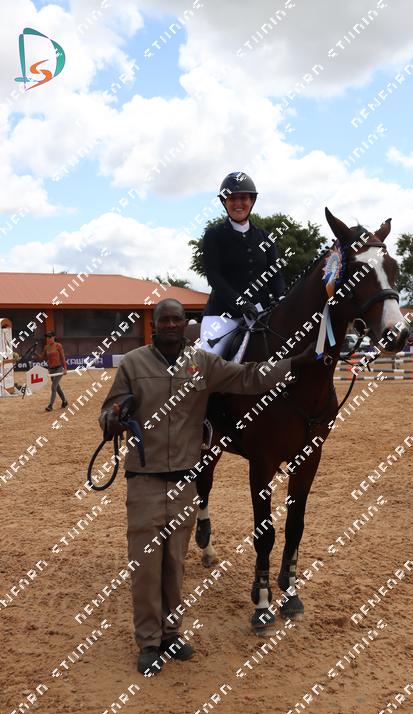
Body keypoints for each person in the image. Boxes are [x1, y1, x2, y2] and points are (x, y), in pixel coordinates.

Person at [99, 298, 315, 676]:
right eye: (164, 319)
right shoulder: (133, 364)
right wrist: (112, 419)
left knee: (174, 565)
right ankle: (149, 643)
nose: (170, 325)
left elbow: (250, 377)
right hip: (145, 481)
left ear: (185, 323)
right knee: (146, 567)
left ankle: (171, 634)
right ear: (155, 325)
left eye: (176, 319)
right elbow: (108, 411)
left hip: (185, 482)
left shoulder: (203, 364)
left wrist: (295, 363)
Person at [199, 172, 286, 356]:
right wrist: (241, 303)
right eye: (232, 198)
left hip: (260, 313)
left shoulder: (265, 237)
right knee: (209, 357)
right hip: (222, 315)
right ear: (225, 202)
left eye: (243, 198)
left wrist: (282, 299)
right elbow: (214, 277)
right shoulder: (214, 236)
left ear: (252, 201)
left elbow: (275, 275)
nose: (238, 203)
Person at [39, 330, 68, 412]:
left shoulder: (58, 345)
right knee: (57, 387)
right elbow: (42, 357)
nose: (48, 339)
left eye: (50, 337)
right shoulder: (46, 347)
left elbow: (62, 357)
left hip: (59, 369)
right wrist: (34, 353)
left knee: (53, 387)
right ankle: (64, 401)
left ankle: (50, 405)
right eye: (47, 337)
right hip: (51, 370)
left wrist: (65, 368)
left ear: (54, 337)